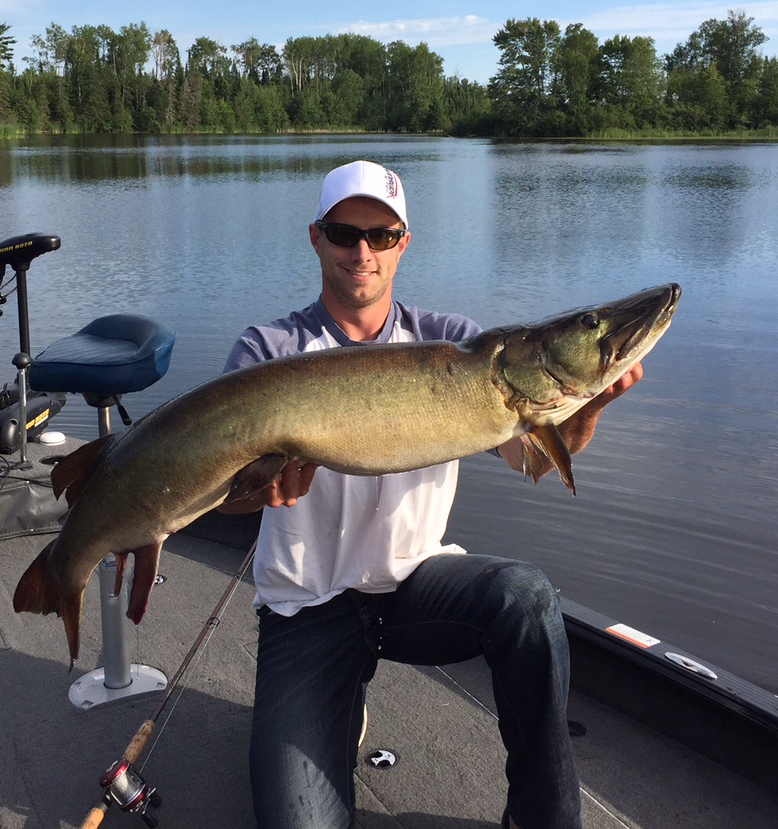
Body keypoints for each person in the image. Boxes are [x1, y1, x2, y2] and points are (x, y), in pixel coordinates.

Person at [219, 160, 641, 829]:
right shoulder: (268, 351)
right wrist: (262, 488)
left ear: (403, 243)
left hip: (416, 588)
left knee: (526, 597)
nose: (363, 252)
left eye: (381, 237)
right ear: (316, 238)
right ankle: (335, 698)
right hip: (307, 607)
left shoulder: (456, 347)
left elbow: (529, 461)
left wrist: (585, 409)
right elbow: (229, 497)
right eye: (344, 233)